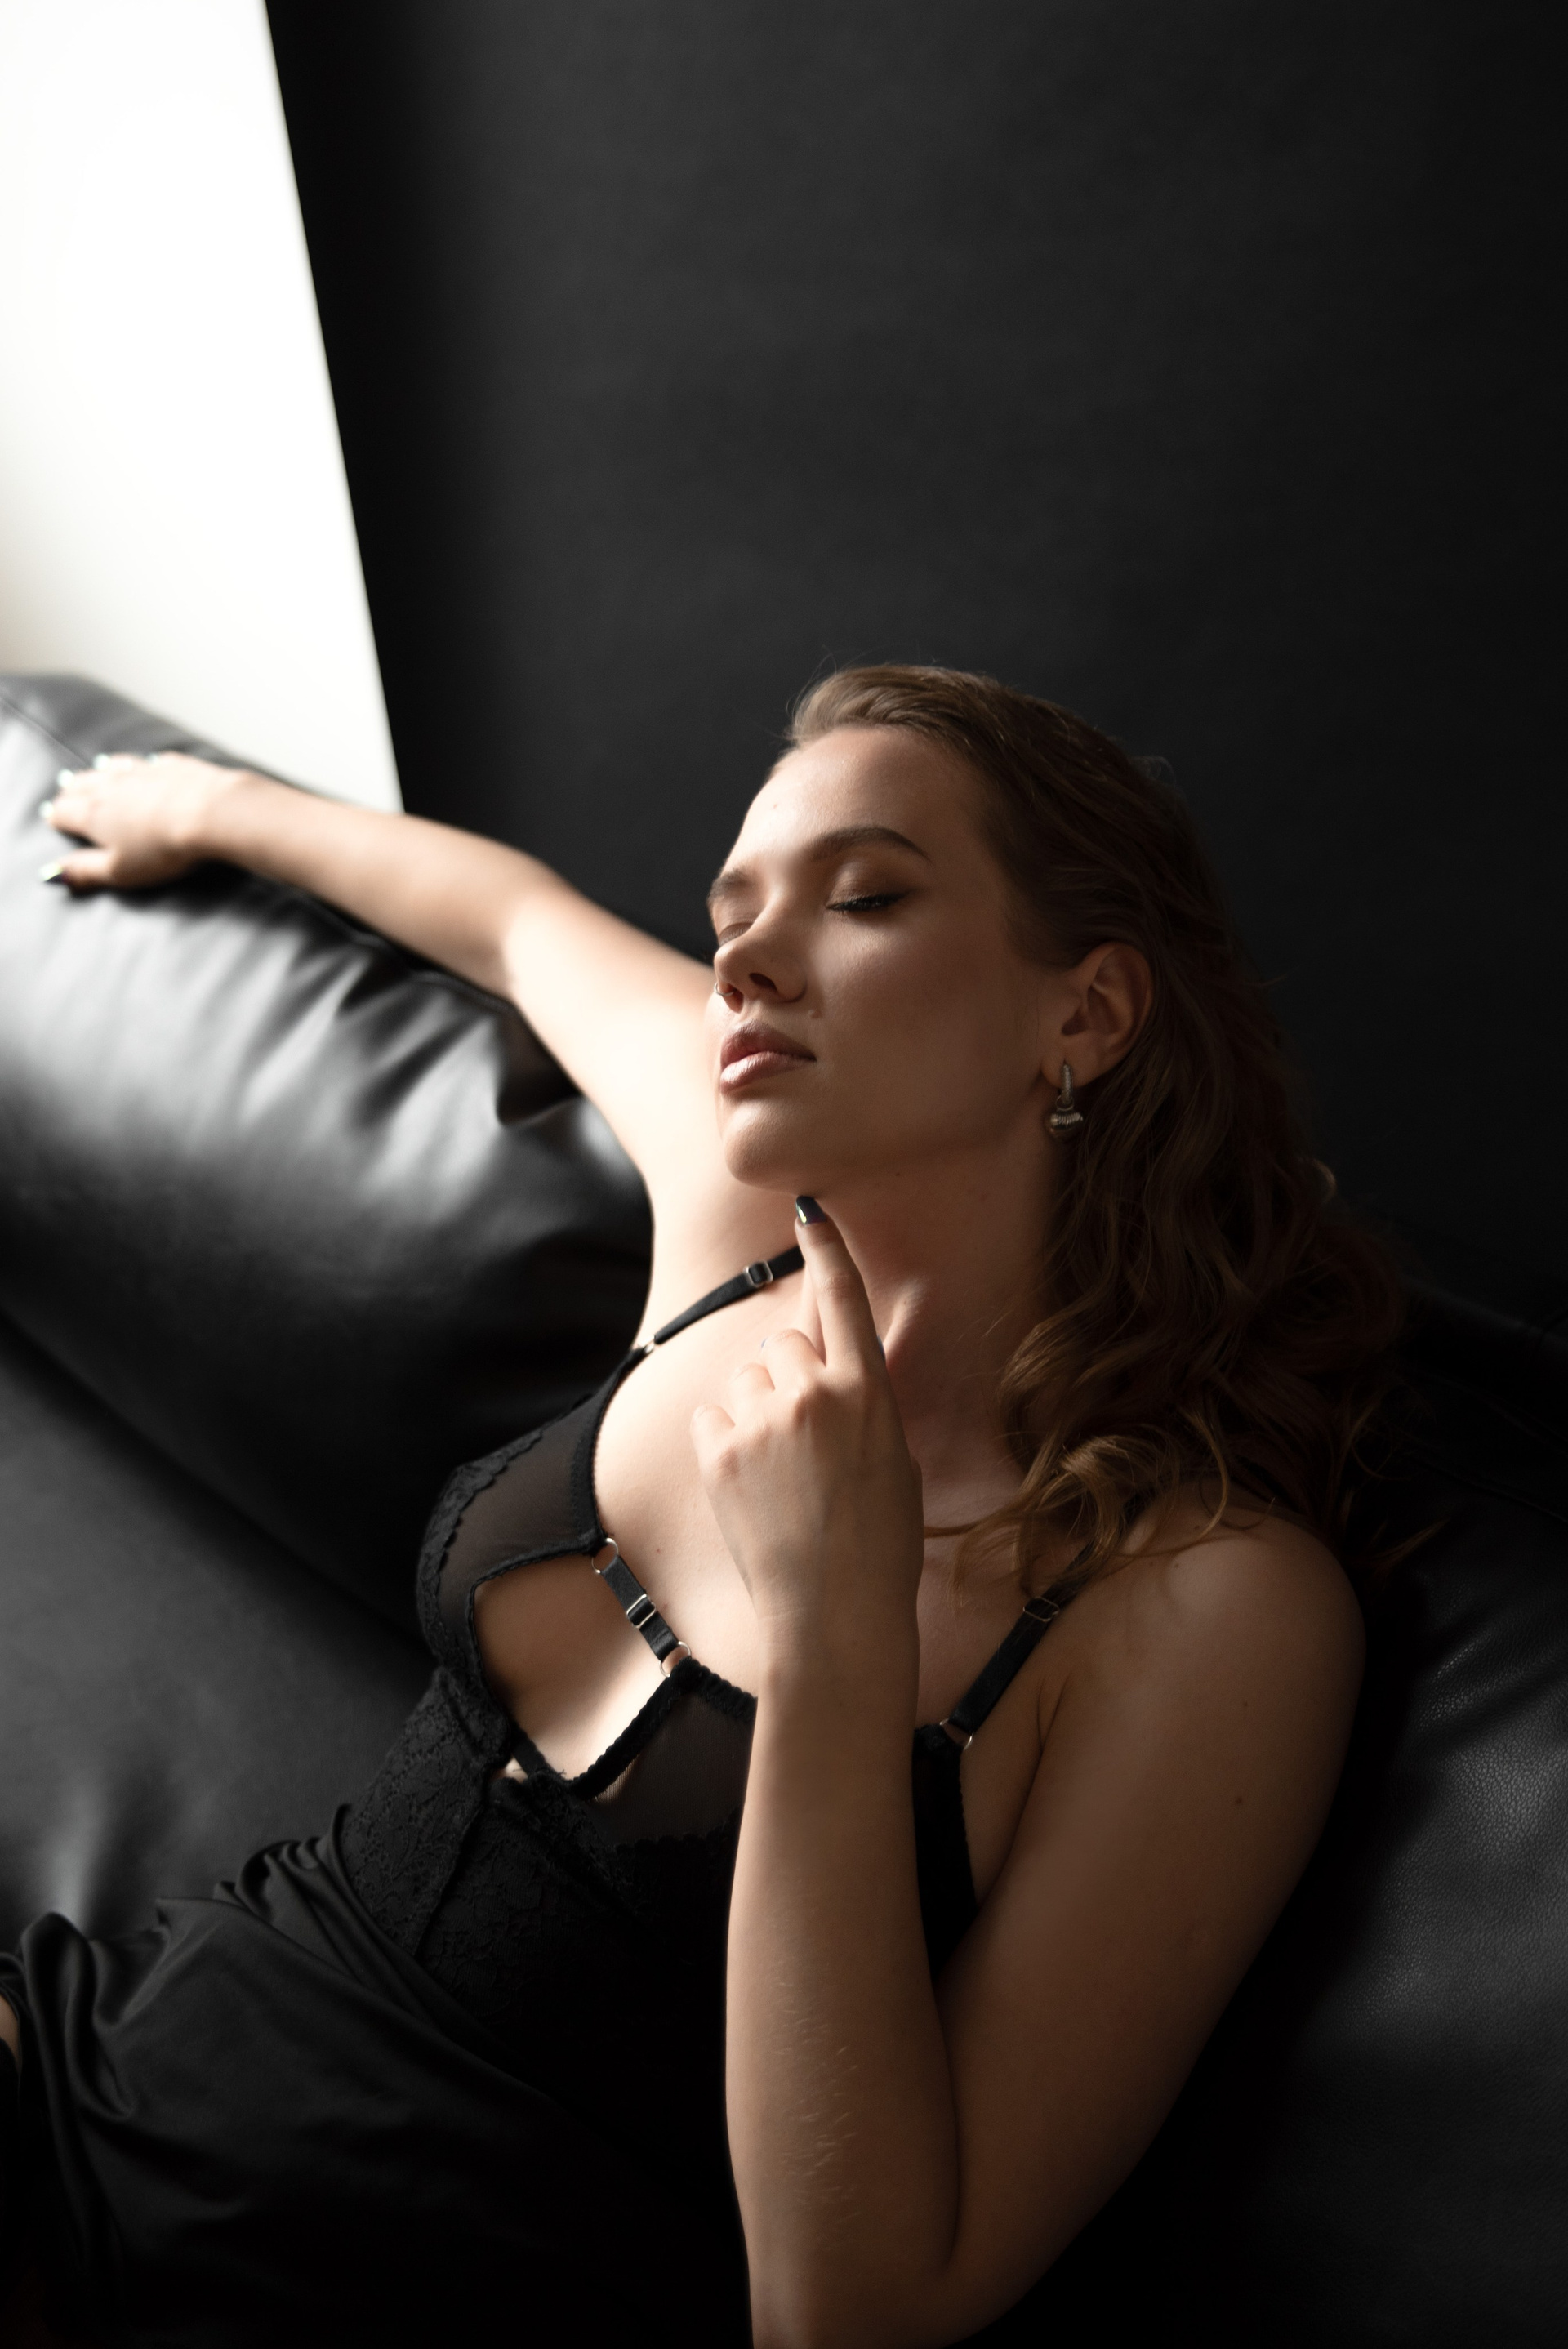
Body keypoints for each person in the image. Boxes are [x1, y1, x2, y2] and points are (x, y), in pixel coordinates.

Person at [2, 666, 1397, 2348]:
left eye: (864, 896)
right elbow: (518, 925)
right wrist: (198, 805)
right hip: (97, 2064)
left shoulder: (1208, 1604)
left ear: (1086, 1013)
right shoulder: (738, 1224)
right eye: (735, 911)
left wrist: (833, 1643)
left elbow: (850, 2305)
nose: (746, 958)